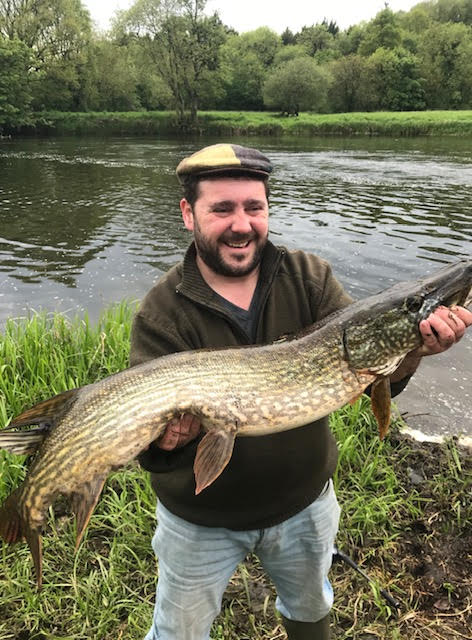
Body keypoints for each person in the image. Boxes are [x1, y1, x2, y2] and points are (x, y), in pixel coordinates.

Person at [130, 143, 472, 640]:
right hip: (198, 521)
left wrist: (415, 348)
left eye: (254, 207)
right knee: (177, 630)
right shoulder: (162, 312)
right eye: (222, 208)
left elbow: (375, 367)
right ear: (188, 213)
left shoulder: (308, 276)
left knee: (311, 608)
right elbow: (147, 449)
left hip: (304, 506)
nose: (241, 224)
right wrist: (168, 440)